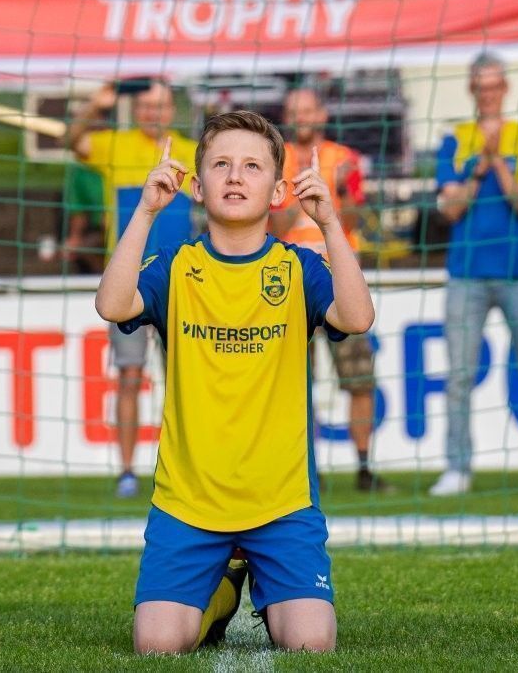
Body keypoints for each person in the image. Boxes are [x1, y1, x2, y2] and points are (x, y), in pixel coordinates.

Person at [96, 110, 373, 654]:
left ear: (276, 191)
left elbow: (358, 317)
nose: (235, 176)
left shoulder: (298, 268)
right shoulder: (176, 266)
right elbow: (111, 303)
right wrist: (147, 211)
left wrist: (330, 225)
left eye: (252, 166)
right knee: (155, 645)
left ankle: (265, 582)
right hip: (188, 503)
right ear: (197, 188)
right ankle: (221, 591)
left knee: (311, 644)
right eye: (220, 164)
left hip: (281, 502)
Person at [429, 54, 518, 496]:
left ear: (505, 88)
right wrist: (478, 167)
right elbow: (449, 208)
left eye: (494, 86)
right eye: (480, 87)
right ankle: (458, 467)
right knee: (459, 375)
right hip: (466, 274)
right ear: (472, 90)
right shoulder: (453, 139)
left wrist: (497, 159)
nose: (488, 94)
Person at [68, 79, 197, 498]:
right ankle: (126, 471)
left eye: (158, 105)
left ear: (171, 108)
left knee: (187, 382)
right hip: (131, 286)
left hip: (185, 283)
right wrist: (96, 104)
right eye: (143, 105)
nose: (151, 112)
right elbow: (71, 140)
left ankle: (189, 468)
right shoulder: (114, 145)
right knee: (128, 375)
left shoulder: (193, 151)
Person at [270, 87, 389, 493]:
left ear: (321, 114)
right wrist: (295, 187)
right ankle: (297, 470)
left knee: (359, 378)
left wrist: (336, 189)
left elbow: (354, 221)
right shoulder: (273, 160)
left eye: (307, 109)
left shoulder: (346, 159)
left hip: (340, 281)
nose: (302, 117)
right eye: (294, 110)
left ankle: (363, 467)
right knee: (291, 386)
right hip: (287, 286)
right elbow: (276, 229)